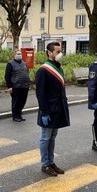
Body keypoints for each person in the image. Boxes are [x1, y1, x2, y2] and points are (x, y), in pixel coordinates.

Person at [35, 41, 70, 177]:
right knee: (45, 137)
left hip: (58, 108)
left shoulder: (58, 67)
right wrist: (44, 112)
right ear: (50, 53)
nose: (60, 54)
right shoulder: (43, 70)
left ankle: (51, 161)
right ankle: (45, 164)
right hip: (48, 109)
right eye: (57, 51)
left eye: (60, 51)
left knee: (53, 137)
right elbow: (40, 93)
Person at [5, 48, 30, 122]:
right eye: (18, 54)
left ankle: (19, 114)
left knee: (23, 101)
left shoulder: (24, 63)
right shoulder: (10, 64)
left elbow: (27, 73)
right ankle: (15, 116)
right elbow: (7, 76)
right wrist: (9, 87)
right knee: (16, 102)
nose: (20, 55)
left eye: (20, 54)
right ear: (14, 55)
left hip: (24, 86)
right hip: (16, 86)